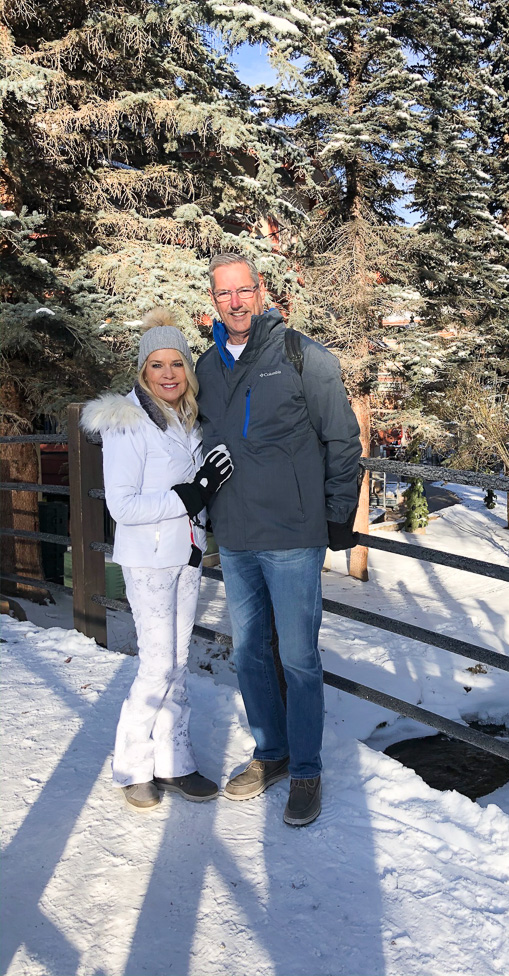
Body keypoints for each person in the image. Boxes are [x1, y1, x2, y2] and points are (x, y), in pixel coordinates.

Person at [197, 253, 361, 826]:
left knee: (297, 657)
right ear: (213, 301)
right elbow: (199, 439)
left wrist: (338, 514)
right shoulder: (206, 367)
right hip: (237, 535)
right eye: (224, 294)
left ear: (261, 292)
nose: (236, 302)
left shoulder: (301, 355)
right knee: (248, 655)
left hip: (292, 535)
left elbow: (342, 439)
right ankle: (272, 753)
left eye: (245, 291)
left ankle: (307, 771)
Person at [81, 310, 234, 811]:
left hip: (185, 556)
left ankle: (175, 762)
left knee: (179, 663)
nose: (168, 374)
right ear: (143, 372)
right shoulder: (127, 422)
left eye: (176, 364)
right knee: (157, 664)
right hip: (146, 560)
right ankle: (130, 765)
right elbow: (121, 505)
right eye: (156, 365)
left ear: (187, 370)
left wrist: (204, 496)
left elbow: (195, 489)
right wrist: (192, 494)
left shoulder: (187, 418)